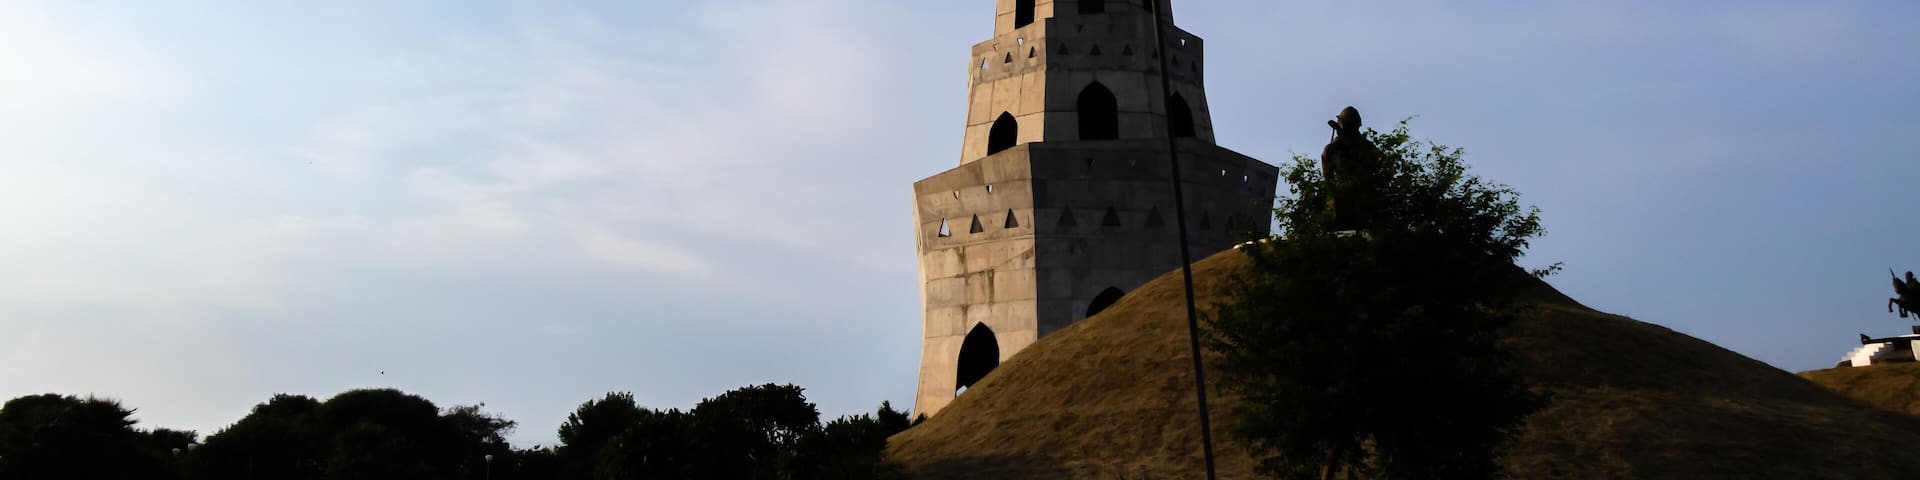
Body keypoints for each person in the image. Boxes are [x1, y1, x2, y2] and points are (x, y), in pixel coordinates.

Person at [1320, 106, 1382, 232]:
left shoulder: (1367, 149)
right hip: (1347, 202)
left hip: (1362, 202)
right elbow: (1329, 182)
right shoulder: (1332, 150)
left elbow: (1329, 182)